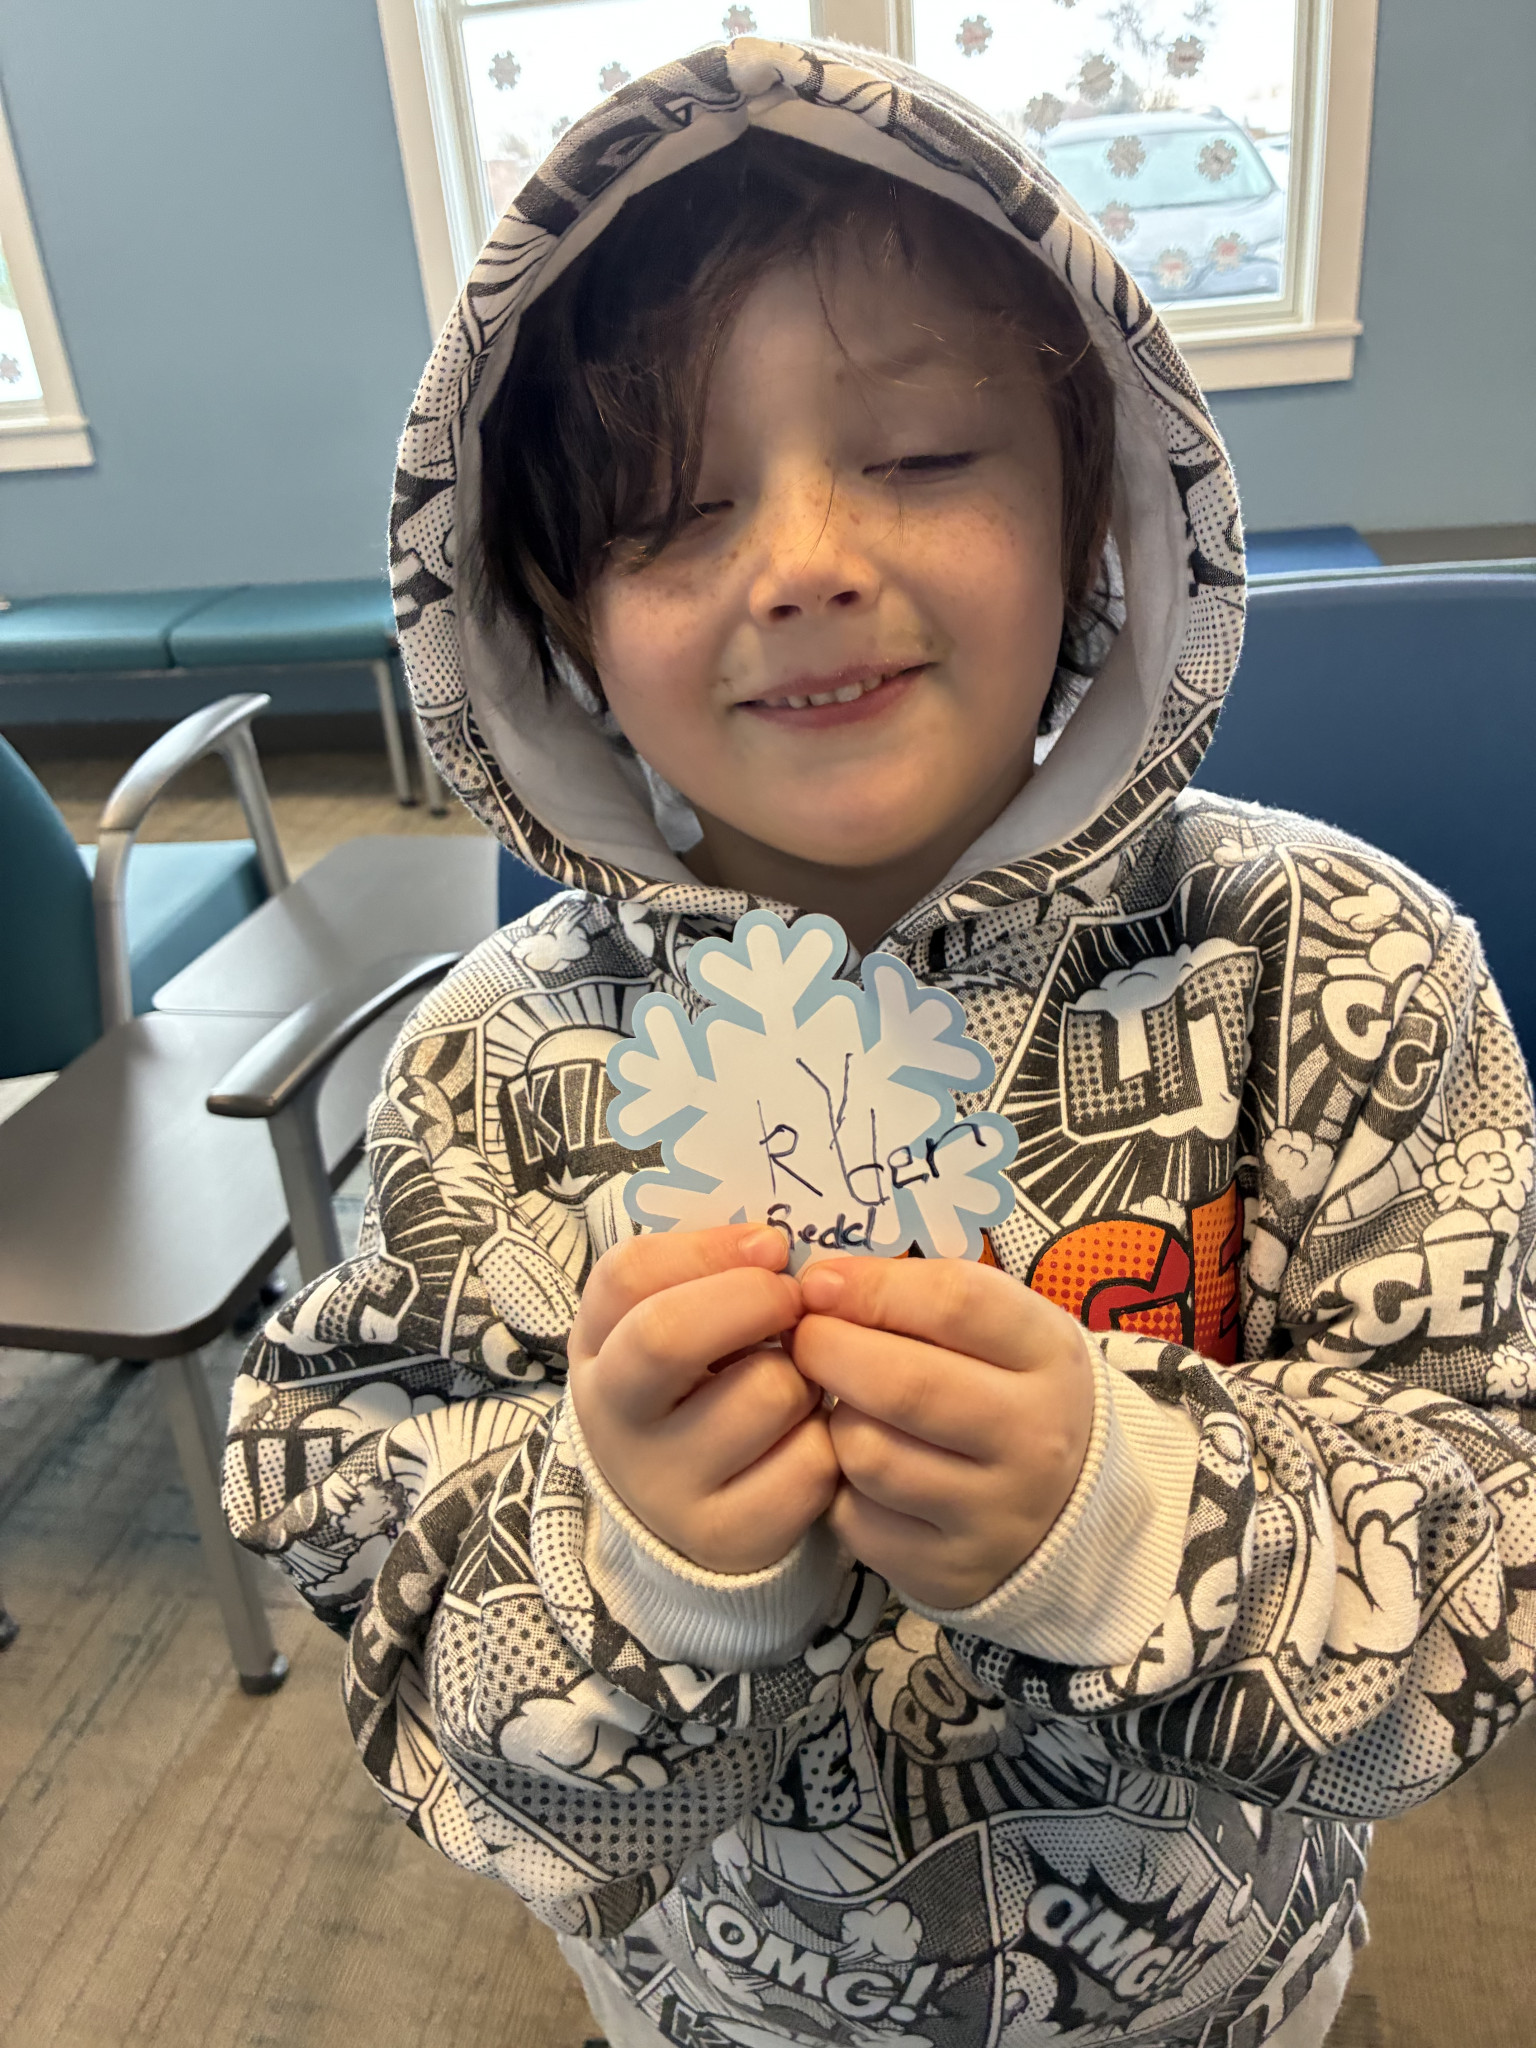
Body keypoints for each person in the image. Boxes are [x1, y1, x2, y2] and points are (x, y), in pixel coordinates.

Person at [223, 38, 1536, 2048]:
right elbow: (436, 1708)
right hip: (723, 2013)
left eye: (920, 456)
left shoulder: (1335, 969)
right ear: (558, 619)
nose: (806, 560)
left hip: (1234, 2003)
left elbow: (1491, 1565)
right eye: (673, 512)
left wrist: (1130, 1514)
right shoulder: (487, 1076)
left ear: (1093, 500)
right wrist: (649, 1567)